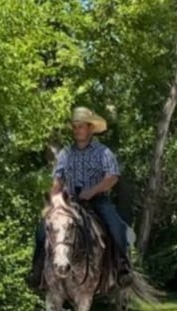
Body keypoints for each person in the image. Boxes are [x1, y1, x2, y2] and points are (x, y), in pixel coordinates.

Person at [27, 107, 133, 289]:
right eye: (74, 127)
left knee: (117, 227)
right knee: (42, 230)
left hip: (98, 201)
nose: (77, 130)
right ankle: (37, 271)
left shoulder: (103, 152)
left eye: (81, 126)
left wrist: (92, 191)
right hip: (71, 203)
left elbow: (112, 177)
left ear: (90, 128)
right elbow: (57, 182)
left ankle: (122, 266)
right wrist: (57, 200)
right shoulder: (65, 154)